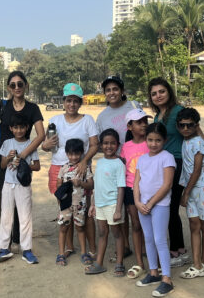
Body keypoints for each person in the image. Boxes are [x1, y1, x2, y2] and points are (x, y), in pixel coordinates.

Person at [0, 71, 45, 249]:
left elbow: (41, 135)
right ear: (8, 87)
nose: (17, 88)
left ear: (26, 85)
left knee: (21, 197)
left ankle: (18, 239)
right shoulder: (2, 106)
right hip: (3, 158)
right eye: (13, 85)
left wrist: (23, 155)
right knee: (6, 198)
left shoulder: (32, 108)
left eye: (20, 84)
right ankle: (6, 242)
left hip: (23, 159)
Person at [149, 77, 204, 267]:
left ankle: (179, 250)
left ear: (169, 92)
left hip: (177, 163)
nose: (158, 96)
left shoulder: (177, 111)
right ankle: (176, 248)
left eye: (162, 91)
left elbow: (198, 131)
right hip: (164, 164)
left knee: (171, 208)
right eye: (154, 93)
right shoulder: (158, 115)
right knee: (166, 207)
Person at [42, 82, 98, 257]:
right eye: (68, 100)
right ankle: (69, 246)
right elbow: (46, 145)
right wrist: (45, 145)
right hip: (59, 168)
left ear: (80, 102)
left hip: (81, 168)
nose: (72, 104)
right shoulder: (55, 120)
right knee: (65, 208)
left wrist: (84, 162)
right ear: (64, 101)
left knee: (85, 210)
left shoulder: (87, 120)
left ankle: (92, 248)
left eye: (75, 101)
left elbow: (95, 145)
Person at [133, 123, 176, 298]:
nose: (153, 143)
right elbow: (136, 182)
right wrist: (137, 202)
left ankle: (167, 279)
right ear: (145, 140)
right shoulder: (142, 159)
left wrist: (150, 203)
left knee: (159, 240)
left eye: (158, 140)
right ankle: (153, 272)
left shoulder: (167, 157)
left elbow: (167, 184)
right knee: (148, 239)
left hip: (159, 205)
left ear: (164, 141)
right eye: (150, 140)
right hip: (142, 206)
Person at [0, 112, 40, 264]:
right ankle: (3, 248)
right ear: (11, 128)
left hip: (23, 185)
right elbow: (2, 165)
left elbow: (37, 166)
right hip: (8, 184)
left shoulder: (30, 144)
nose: (19, 130)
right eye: (16, 127)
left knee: (25, 217)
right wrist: (8, 158)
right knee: (6, 216)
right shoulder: (7, 143)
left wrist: (23, 163)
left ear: (27, 127)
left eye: (22, 127)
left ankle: (26, 249)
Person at [177, 107, 204, 280]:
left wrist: (186, 192)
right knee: (194, 224)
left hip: (200, 188)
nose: (185, 129)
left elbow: (197, 171)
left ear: (196, 126)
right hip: (191, 189)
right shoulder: (186, 140)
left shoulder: (198, 143)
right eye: (182, 125)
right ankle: (197, 263)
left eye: (189, 126)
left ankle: (202, 262)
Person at [86, 129, 126, 276]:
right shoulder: (100, 162)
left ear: (118, 145)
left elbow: (121, 187)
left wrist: (118, 209)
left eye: (112, 143)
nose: (109, 146)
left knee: (117, 234)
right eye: (105, 143)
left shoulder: (119, 164)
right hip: (100, 204)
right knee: (102, 233)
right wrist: (93, 204)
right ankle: (99, 263)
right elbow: (97, 185)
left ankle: (120, 264)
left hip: (112, 204)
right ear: (101, 145)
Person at [54, 139, 94, 266]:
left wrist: (81, 183)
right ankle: (61, 254)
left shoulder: (85, 168)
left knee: (80, 228)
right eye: (71, 154)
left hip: (80, 205)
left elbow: (91, 185)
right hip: (65, 205)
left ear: (81, 153)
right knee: (63, 227)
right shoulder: (63, 168)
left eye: (76, 154)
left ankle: (84, 252)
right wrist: (59, 201)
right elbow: (58, 184)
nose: (74, 157)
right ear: (66, 154)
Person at [120, 108, 149, 279]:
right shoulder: (126, 147)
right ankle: (140, 262)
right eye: (139, 122)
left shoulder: (152, 142)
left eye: (145, 121)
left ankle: (154, 261)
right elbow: (123, 169)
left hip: (149, 189)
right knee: (136, 225)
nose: (144, 125)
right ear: (129, 126)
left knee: (149, 225)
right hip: (131, 189)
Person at [96, 75, 141, 146]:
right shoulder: (101, 117)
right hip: (116, 156)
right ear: (104, 93)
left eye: (115, 89)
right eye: (108, 90)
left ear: (122, 91)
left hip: (138, 154)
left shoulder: (134, 106)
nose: (111, 93)